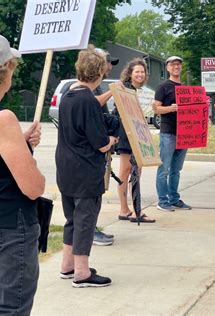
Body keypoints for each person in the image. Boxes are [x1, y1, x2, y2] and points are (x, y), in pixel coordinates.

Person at [0, 31, 45, 315]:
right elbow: (33, 187)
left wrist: (17, 141)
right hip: (7, 227)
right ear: (3, 71)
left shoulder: (0, 124)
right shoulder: (1, 118)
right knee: (9, 309)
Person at [56, 46, 118, 287]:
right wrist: (113, 139)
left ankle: (67, 265)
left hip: (65, 166)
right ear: (101, 72)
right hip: (85, 170)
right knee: (85, 221)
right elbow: (101, 143)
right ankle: (82, 272)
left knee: (72, 218)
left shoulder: (68, 96)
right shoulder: (88, 101)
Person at [115, 58, 155, 223]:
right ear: (130, 73)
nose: (140, 74)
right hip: (126, 133)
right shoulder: (124, 89)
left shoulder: (143, 92)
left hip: (138, 133)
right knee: (125, 170)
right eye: (137, 71)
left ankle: (135, 208)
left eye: (142, 71)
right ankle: (124, 209)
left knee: (137, 171)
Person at [152, 56, 192, 211]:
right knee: (164, 169)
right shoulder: (163, 87)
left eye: (179, 64)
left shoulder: (185, 88)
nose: (176, 66)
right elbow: (156, 109)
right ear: (167, 68)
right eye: (173, 64)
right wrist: (171, 108)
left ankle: (174, 198)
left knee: (176, 170)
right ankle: (162, 201)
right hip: (168, 133)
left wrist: (202, 104)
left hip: (184, 133)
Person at [92, 48, 119, 246]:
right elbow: (91, 105)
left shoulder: (98, 85)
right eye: (108, 62)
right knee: (91, 193)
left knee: (98, 189)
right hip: (92, 149)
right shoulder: (87, 88)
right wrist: (114, 91)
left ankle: (92, 227)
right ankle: (90, 231)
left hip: (101, 145)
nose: (110, 66)